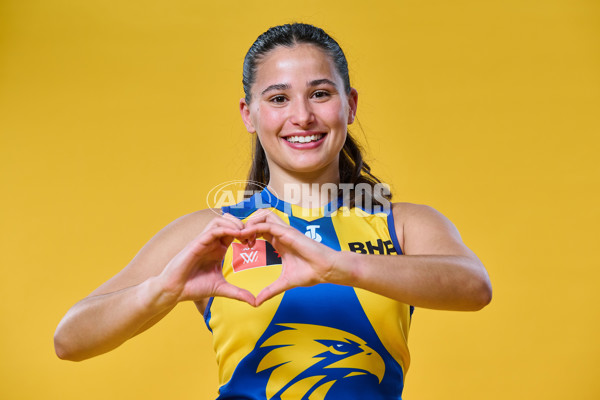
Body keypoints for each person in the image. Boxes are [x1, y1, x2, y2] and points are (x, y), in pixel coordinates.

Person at [54, 23, 492, 399]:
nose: (302, 116)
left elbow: (474, 287)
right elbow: (70, 339)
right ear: (249, 114)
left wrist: (339, 266)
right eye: (278, 98)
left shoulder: (402, 223)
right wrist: (161, 290)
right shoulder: (215, 232)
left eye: (320, 94)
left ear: (350, 105)